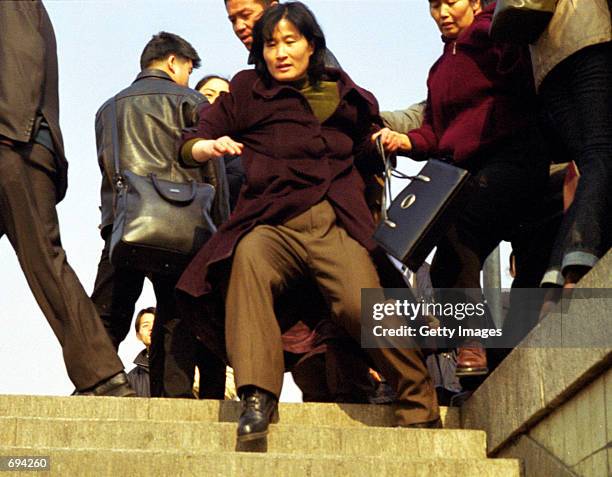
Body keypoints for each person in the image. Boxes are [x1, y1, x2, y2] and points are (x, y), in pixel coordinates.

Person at [178, 2, 439, 441]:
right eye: (270, 44)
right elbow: (195, 135)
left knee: (361, 305)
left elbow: (367, 139)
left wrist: (388, 143)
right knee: (248, 261)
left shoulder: (342, 93)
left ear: (311, 45)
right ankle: (257, 398)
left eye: (289, 41)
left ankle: (418, 399)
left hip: (332, 219)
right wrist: (204, 148)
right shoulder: (246, 90)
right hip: (270, 219)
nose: (279, 53)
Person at [374, 0, 548, 376]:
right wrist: (407, 142)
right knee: (446, 262)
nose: (442, 13)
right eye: (435, 6)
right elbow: (437, 131)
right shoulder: (438, 70)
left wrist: (500, 30)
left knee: (459, 232)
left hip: (513, 157)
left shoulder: (492, 35)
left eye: (451, 2)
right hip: (465, 172)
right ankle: (481, 365)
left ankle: (472, 342)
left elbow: (523, 71)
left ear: (474, 3)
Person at [0, 0, 134, 397]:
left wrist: (9, 131)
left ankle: (103, 373)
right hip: (17, 142)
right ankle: (102, 372)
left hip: (14, 145)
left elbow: (22, 54)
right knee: (44, 259)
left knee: (44, 259)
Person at [91, 32, 229, 398]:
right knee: (176, 315)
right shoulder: (195, 102)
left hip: (126, 225)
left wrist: (111, 222)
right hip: (184, 228)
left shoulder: (108, 107)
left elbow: (108, 170)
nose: (187, 76)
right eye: (187, 68)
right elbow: (212, 175)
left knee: (108, 311)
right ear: (173, 62)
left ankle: (94, 384)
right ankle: (175, 400)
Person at [532, 0, 612, 289]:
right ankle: (578, 261)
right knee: (601, 154)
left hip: (547, 60)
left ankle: (555, 271)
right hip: (588, 38)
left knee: (589, 163)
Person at [195, 75, 245, 211]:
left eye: (224, 96)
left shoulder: (245, 149)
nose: (217, 100)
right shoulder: (183, 142)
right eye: (209, 94)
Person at [126, 308, 155, 397]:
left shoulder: (177, 367)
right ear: (138, 335)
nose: (151, 328)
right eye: (145, 325)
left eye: (155, 323)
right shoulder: (131, 378)